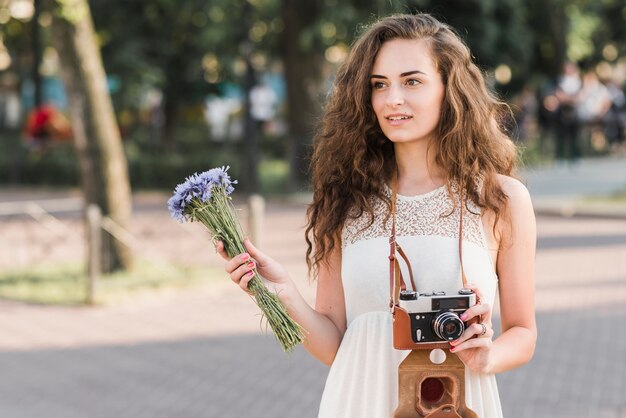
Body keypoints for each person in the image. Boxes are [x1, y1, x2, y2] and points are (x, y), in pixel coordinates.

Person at [217, 13, 537, 418]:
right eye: (379, 85)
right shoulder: (347, 201)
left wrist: (487, 356)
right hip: (357, 403)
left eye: (412, 81)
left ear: (449, 89)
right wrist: (282, 293)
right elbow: (334, 345)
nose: (392, 99)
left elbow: (523, 334)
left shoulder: (502, 199)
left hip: (458, 405)